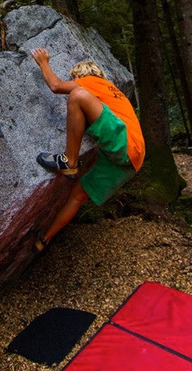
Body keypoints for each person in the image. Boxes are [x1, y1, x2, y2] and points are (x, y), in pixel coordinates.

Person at [31, 47, 145, 253]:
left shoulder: (92, 82)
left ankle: (69, 162)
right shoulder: (113, 91)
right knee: (77, 195)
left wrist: (43, 62)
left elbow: (56, 86)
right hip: (132, 159)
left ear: (83, 73)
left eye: (75, 76)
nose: (74, 79)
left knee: (77, 96)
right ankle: (44, 240)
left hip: (124, 143)